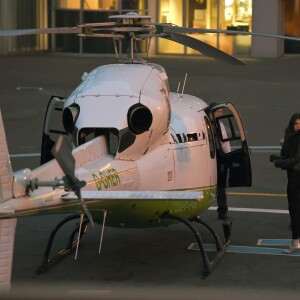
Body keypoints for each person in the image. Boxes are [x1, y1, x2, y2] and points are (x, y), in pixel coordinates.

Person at [273, 113, 300, 252]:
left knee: (295, 207)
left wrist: (279, 162)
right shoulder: (290, 135)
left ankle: (295, 241)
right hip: (293, 174)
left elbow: (296, 158)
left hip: (297, 174)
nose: (298, 126)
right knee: (294, 207)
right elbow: (287, 154)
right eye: (296, 124)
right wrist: (277, 157)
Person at [213, 108, 231, 220]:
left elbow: (225, 143)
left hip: (218, 157)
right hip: (214, 157)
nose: (221, 113)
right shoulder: (216, 125)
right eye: (218, 112)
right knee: (220, 186)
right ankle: (222, 210)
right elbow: (224, 144)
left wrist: (227, 156)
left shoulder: (220, 125)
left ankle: (222, 210)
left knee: (221, 186)